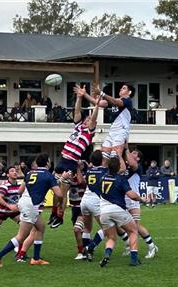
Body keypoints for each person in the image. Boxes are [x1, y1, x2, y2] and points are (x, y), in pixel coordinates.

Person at [0, 153, 70, 267]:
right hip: (31, 205)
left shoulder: (30, 173)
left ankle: (36, 258)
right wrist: (62, 180)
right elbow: (59, 194)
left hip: (25, 202)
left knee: (40, 227)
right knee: (21, 236)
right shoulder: (48, 175)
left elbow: (20, 190)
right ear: (48, 163)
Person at [48, 84, 101, 229]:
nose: (89, 119)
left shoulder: (89, 132)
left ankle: (59, 217)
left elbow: (95, 117)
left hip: (71, 163)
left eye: (91, 119)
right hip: (62, 159)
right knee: (56, 191)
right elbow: (77, 111)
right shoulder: (78, 127)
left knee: (63, 192)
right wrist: (79, 97)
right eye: (88, 117)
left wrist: (96, 104)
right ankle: (54, 213)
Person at [97, 157, 143, 267]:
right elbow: (131, 195)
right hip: (117, 210)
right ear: (118, 167)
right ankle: (134, 259)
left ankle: (107, 255)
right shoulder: (120, 179)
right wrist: (141, 199)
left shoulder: (102, 178)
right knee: (133, 231)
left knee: (111, 238)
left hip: (103, 211)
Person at [88, 84, 134, 172]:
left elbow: (116, 102)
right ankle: (103, 176)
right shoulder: (114, 101)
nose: (121, 89)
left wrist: (101, 93)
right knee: (104, 155)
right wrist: (84, 94)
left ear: (129, 92)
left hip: (121, 130)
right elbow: (98, 103)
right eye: (121, 87)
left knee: (116, 156)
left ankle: (120, 172)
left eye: (124, 88)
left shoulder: (128, 100)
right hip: (112, 131)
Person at [122, 149, 158, 259]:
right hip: (123, 199)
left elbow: (131, 162)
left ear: (138, 158)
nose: (131, 153)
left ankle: (152, 246)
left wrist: (125, 149)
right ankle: (129, 244)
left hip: (133, 200)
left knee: (135, 226)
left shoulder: (137, 166)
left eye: (134, 153)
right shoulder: (125, 166)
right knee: (119, 224)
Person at [80, 150, 108, 261]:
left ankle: (85, 254)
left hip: (85, 199)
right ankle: (89, 247)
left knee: (87, 228)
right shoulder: (105, 170)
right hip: (95, 201)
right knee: (107, 228)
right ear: (102, 160)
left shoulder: (89, 170)